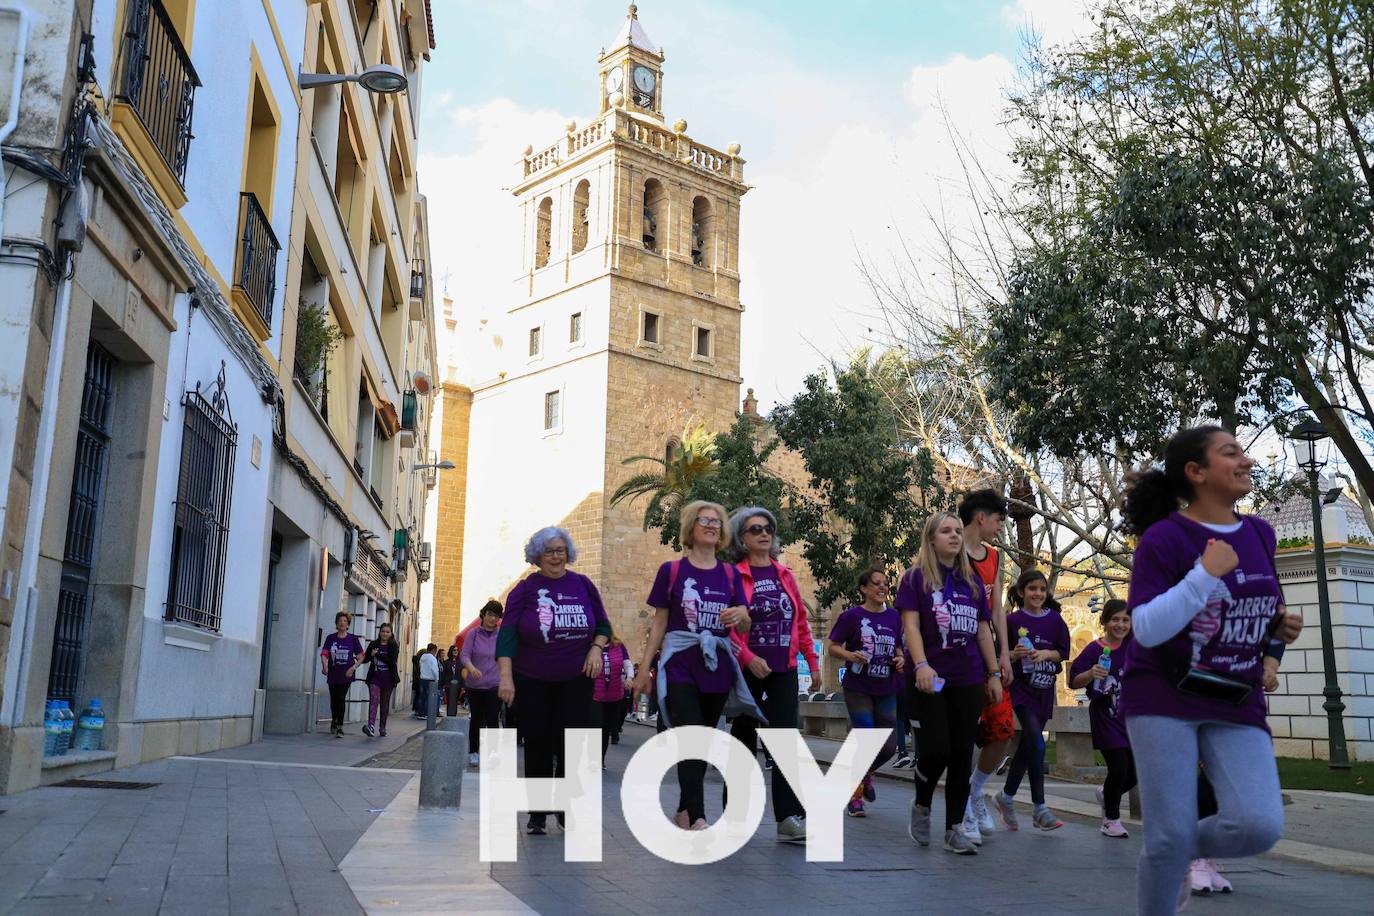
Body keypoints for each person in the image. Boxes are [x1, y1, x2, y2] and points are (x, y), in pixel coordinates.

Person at [1121, 425, 1301, 915]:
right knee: (1168, 837)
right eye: (1231, 453)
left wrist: (1277, 628)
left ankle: (1173, 847)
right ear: (1196, 473)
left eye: (1242, 452)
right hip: (1162, 697)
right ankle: (1169, 853)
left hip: (1236, 698)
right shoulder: (1165, 538)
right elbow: (1146, 627)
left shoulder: (1260, 532)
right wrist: (1204, 573)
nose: (1245, 461)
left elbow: (1261, 606)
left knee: (1259, 825)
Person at [633, 500, 759, 832]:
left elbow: (744, 625)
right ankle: (699, 816)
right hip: (679, 663)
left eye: (717, 522)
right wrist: (644, 670)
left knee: (702, 740)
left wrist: (742, 616)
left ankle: (684, 810)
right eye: (704, 520)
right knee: (690, 735)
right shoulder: (672, 571)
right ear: (690, 528)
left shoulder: (730, 574)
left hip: (715, 664)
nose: (711, 525)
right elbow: (658, 624)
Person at [896, 511, 1002, 856]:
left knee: (961, 755)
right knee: (936, 749)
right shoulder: (915, 579)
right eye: (946, 531)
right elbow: (911, 627)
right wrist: (921, 664)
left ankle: (955, 828)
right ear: (931, 539)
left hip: (967, 678)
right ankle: (922, 805)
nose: (955, 536)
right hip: (931, 679)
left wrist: (994, 674)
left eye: (958, 530)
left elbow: (983, 632)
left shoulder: (971, 583)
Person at [497, 527, 611, 836]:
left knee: (571, 743)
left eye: (561, 550)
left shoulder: (583, 585)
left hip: (576, 679)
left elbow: (603, 625)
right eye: (549, 551)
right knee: (538, 744)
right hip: (532, 679)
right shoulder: (525, 589)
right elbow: (507, 636)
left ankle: (563, 804)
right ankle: (537, 812)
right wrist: (506, 677)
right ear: (537, 556)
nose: (556, 556)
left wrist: (596, 649)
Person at [725, 506, 821, 843]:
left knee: (785, 740)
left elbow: (800, 623)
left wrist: (811, 661)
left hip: (784, 668)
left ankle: (788, 817)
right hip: (747, 670)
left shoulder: (785, 575)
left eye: (767, 528)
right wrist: (748, 657)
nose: (763, 533)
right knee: (743, 737)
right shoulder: (732, 575)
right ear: (741, 538)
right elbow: (727, 626)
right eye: (754, 529)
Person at [1187, 625, 1297, 894]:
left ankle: (1202, 852)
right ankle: (1195, 857)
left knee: (1230, 782)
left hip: (1242, 695)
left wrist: (1270, 668)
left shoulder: (1262, 586)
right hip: (1202, 687)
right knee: (1207, 771)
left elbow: (1275, 632)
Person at [956, 489, 1015, 843]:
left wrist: (1004, 654)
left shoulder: (993, 557)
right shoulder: (945, 551)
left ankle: (976, 790)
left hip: (987, 653)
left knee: (1003, 729)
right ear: (981, 517)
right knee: (960, 736)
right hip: (954, 654)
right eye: (997, 521)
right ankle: (960, 807)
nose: (999, 529)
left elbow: (996, 611)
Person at [994, 569, 1070, 834]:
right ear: (1021, 592)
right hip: (1022, 691)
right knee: (1037, 742)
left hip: (1045, 690)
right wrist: (1014, 654)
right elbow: (998, 656)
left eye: (1041, 589)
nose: (1037, 594)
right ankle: (1040, 808)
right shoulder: (1011, 622)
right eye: (1031, 589)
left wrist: (1046, 653)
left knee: (1029, 746)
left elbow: (1062, 652)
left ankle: (1005, 796)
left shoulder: (1056, 620)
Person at [828, 567, 904, 818]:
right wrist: (851, 655)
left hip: (887, 687)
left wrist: (901, 659)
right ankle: (855, 795)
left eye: (885, 584)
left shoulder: (894, 617)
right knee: (865, 737)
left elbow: (900, 647)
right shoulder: (852, 616)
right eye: (876, 583)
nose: (882, 587)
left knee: (890, 746)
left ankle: (865, 773)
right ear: (864, 589)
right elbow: (832, 647)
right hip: (858, 686)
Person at [1068, 598, 1134, 837]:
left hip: (1129, 718)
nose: (1120, 625)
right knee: (1119, 767)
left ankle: (1107, 795)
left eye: (1125, 620)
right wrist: (1090, 673)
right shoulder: (1094, 650)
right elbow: (1072, 680)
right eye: (1115, 619)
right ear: (1105, 622)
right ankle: (1111, 820)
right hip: (1105, 716)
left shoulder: (1134, 647)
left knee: (1134, 771)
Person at [461, 599, 504, 766]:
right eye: (490, 614)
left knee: (493, 719)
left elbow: (506, 655)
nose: (493, 619)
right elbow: (465, 655)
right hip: (475, 685)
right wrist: (471, 668)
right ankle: (474, 752)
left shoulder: (501, 634)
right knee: (477, 719)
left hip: (494, 684)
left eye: (496, 616)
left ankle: (492, 753)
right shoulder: (473, 633)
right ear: (484, 614)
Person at [320, 612, 364, 738]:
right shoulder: (331, 638)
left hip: (346, 673)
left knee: (341, 698)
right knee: (334, 700)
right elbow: (324, 654)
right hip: (333, 673)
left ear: (348, 624)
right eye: (340, 620)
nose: (342, 623)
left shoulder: (353, 639)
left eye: (345, 621)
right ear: (336, 623)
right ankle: (334, 720)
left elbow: (361, 657)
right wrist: (325, 667)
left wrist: (353, 668)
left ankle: (340, 727)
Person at [593, 633, 633, 762]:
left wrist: (629, 677)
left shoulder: (619, 646)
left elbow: (627, 664)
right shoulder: (591, 647)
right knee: (595, 726)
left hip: (613, 695)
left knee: (605, 729)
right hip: (594, 694)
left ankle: (600, 759)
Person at [361, 622, 400, 738]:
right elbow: (366, 659)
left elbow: (391, 662)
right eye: (383, 631)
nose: (385, 634)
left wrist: (377, 655)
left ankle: (382, 727)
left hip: (388, 679)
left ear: (391, 633)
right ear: (379, 632)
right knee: (374, 700)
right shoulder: (374, 644)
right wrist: (365, 655)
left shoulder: (394, 646)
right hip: (375, 678)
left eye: (387, 632)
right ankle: (371, 726)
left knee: (384, 703)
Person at [416, 644, 440, 721]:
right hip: (430, 680)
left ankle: (420, 713)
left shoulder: (422, 657)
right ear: (433, 650)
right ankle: (425, 713)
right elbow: (434, 670)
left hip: (422, 679)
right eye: (435, 651)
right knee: (428, 698)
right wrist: (437, 679)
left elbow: (420, 667)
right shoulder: (432, 658)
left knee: (422, 697)